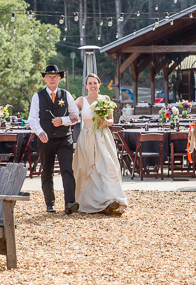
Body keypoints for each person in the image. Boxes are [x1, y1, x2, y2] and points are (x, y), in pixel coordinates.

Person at [28, 64, 80, 214]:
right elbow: (32, 119)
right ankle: (50, 203)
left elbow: (75, 116)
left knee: (67, 169)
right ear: (44, 79)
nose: (52, 79)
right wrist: (39, 132)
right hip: (46, 139)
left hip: (65, 138)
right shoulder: (37, 96)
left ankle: (70, 203)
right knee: (47, 171)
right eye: (49, 77)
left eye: (55, 77)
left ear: (59, 79)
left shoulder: (66, 95)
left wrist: (63, 120)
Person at [74, 74, 128, 215]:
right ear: (86, 86)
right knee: (89, 169)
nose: (92, 86)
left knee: (108, 166)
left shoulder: (106, 99)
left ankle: (111, 199)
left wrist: (105, 122)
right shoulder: (81, 101)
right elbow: (71, 115)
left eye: (95, 83)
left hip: (103, 136)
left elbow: (111, 120)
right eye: (90, 83)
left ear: (99, 84)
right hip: (87, 137)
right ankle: (92, 202)